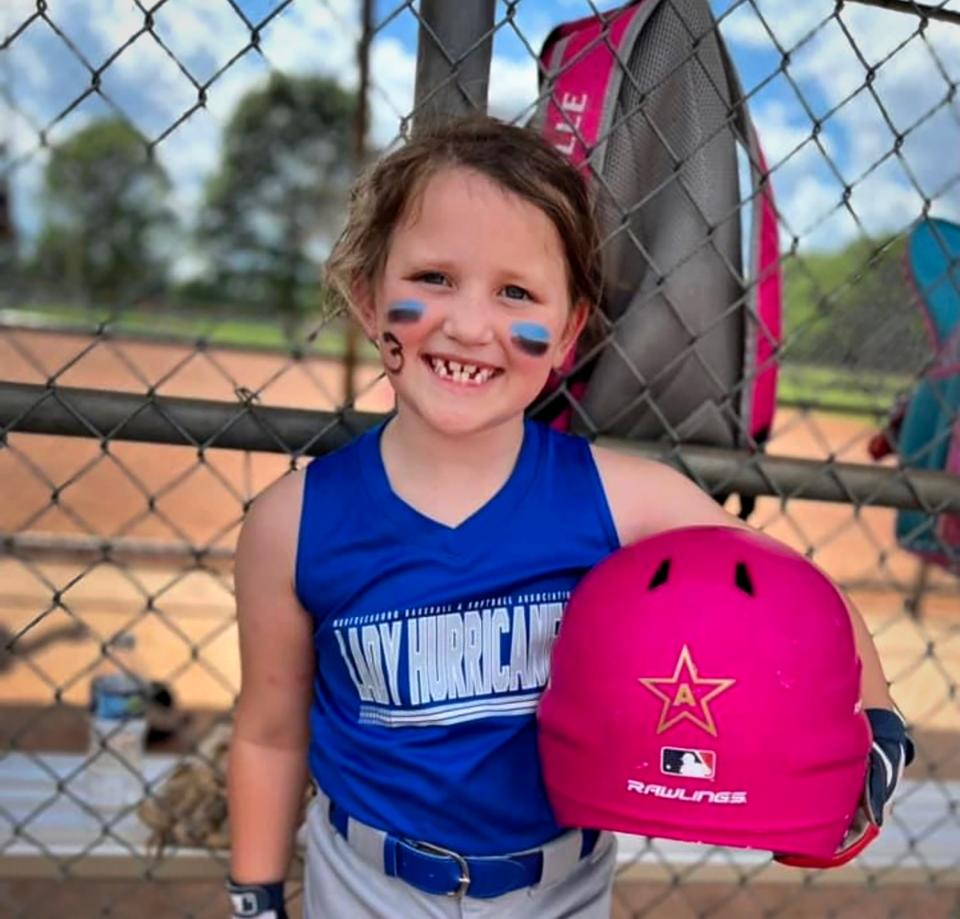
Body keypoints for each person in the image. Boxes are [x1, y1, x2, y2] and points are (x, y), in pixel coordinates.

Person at [225, 115, 907, 919]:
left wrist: (880, 725)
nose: (470, 324)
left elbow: (795, 594)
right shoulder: (293, 523)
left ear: (569, 330)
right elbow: (270, 732)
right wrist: (255, 897)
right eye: (434, 277)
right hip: (367, 881)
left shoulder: (618, 499)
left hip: (561, 887)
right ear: (370, 297)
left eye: (516, 291)